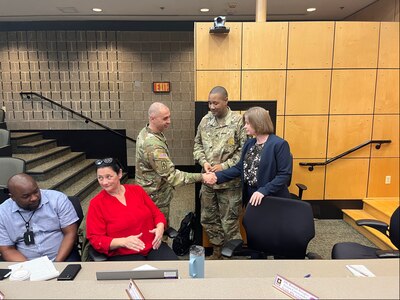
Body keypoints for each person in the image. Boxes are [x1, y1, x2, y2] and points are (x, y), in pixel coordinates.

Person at [135, 102, 216, 225]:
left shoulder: (147, 132)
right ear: (152, 118)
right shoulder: (153, 145)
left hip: (149, 192)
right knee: (158, 231)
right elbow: (172, 177)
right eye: (165, 118)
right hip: (155, 198)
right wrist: (202, 177)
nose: (169, 121)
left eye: (169, 117)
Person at [86, 157, 178, 261]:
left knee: (175, 273)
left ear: (119, 174)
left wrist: (160, 228)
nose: (104, 182)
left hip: (153, 246)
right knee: (142, 277)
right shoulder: (96, 204)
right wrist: (123, 242)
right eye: (100, 178)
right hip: (123, 253)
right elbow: (96, 239)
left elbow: (157, 214)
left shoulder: (137, 191)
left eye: (108, 177)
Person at [193, 86, 247, 259]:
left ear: (226, 101)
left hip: (229, 184)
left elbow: (244, 151)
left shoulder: (238, 122)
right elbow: (197, 145)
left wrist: (225, 166)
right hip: (208, 181)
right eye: (209, 103)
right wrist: (204, 162)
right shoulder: (205, 121)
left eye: (215, 103)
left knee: (229, 221)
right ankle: (217, 251)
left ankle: (230, 255)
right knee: (208, 218)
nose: (212, 107)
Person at [214, 106, 292, 207]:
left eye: (247, 123)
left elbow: (284, 175)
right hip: (251, 195)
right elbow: (239, 168)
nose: (245, 126)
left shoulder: (279, 144)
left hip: (271, 197)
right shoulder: (249, 143)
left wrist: (263, 191)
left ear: (258, 123)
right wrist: (217, 176)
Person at [0, 173, 80, 262]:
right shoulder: (2, 213)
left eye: (36, 191)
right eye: (26, 196)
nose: (34, 198)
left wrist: (57, 264)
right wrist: (31, 268)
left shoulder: (58, 199)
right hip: (24, 262)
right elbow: (7, 249)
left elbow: (70, 234)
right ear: (13, 197)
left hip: (62, 257)